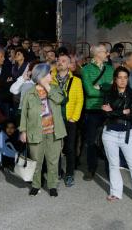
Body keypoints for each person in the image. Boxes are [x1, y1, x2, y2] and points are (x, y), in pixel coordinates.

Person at [101, 66, 132, 208]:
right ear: (115, 79)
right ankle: (116, 192)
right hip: (109, 133)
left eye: (125, 77)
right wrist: (122, 111)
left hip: (127, 134)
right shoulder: (108, 94)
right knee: (113, 164)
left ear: (127, 79)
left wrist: (114, 111)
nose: (122, 80)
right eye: (120, 77)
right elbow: (105, 114)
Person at [20, 63, 67, 197]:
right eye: (48, 74)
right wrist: (23, 131)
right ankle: (36, 185)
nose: (51, 75)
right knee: (36, 161)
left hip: (54, 132)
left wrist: (47, 86)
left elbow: (59, 100)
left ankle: (52, 186)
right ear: (40, 76)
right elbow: (24, 113)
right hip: (36, 132)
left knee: (53, 161)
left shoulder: (55, 89)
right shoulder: (30, 92)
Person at [81, 44, 114, 180]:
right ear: (97, 53)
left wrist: (99, 87)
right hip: (93, 109)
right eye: (106, 52)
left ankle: (109, 169)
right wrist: (104, 88)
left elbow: (112, 89)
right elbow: (89, 91)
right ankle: (91, 168)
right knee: (91, 141)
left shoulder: (111, 68)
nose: (108, 54)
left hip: (108, 109)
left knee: (109, 141)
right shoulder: (86, 69)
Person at [51, 54, 84, 187]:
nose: (60, 62)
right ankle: (58, 171)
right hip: (54, 119)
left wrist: (74, 118)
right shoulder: (50, 79)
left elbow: (79, 100)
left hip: (70, 119)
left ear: (69, 65)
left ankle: (69, 174)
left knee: (70, 148)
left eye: (63, 61)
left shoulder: (76, 80)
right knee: (55, 148)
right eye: (58, 60)